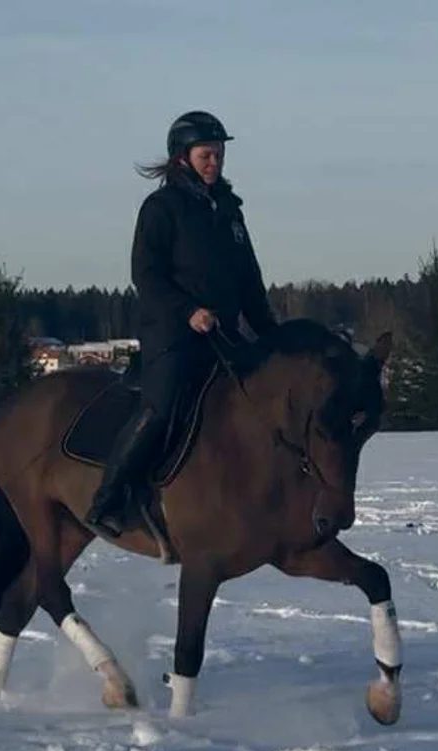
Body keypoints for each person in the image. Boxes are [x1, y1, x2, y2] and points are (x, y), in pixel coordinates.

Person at [82, 110, 279, 540]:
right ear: (182, 158)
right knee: (161, 407)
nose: (215, 162)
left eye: (219, 154)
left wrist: (272, 336)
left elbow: (249, 280)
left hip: (224, 335)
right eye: (206, 155)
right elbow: (146, 274)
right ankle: (108, 500)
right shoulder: (162, 208)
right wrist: (188, 310)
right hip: (172, 335)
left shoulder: (230, 211)